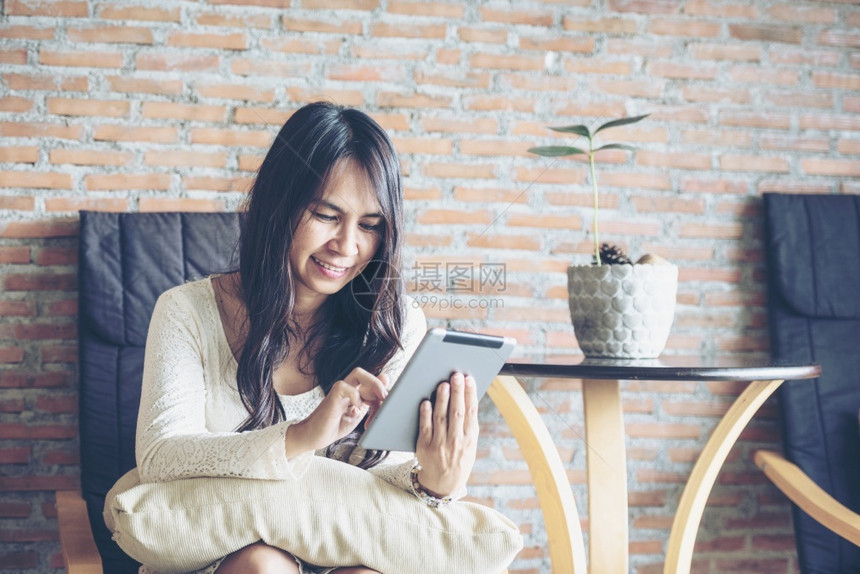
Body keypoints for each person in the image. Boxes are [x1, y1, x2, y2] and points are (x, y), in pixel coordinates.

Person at [134, 102, 479, 574]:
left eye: (370, 225)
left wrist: (433, 482)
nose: (347, 245)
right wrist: (299, 437)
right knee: (263, 565)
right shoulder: (187, 312)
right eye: (326, 215)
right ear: (280, 205)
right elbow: (160, 457)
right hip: (221, 558)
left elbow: (385, 480)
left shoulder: (393, 325)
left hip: (346, 555)